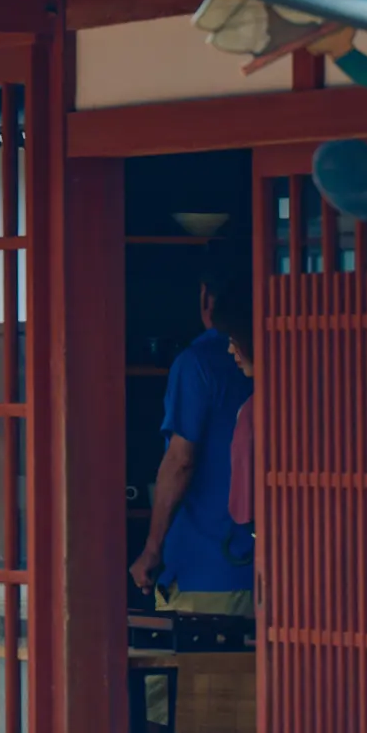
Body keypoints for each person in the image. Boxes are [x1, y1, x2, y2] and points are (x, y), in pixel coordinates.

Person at [130, 258, 255, 615]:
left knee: (193, 670)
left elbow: (180, 461)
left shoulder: (197, 363)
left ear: (206, 298)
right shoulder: (294, 358)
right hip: (277, 572)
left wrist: (152, 549)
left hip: (207, 567)